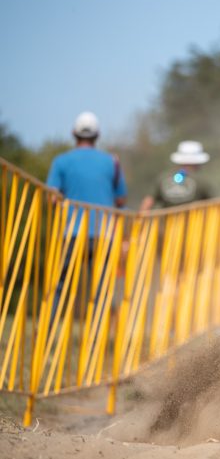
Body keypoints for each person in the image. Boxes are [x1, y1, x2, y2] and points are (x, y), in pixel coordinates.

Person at [46, 111, 127, 315]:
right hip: (104, 234)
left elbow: (51, 197)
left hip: (72, 232)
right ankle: (96, 340)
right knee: (101, 289)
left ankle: (46, 336)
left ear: (74, 134)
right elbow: (121, 199)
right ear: (97, 135)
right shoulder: (112, 162)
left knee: (60, 286)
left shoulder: (61, 161)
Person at [139, 140, 220, 211]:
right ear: (198, 162)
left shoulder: (163, 178)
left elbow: (147, 203)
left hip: (166, 234)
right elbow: (219, 206)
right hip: (193, 235)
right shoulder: (201, 182)